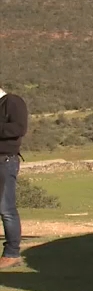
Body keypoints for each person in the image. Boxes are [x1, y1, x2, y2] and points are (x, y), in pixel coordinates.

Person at [0, 86, 28, 270]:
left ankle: (12, 253)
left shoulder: (12, 101)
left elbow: (19, 128)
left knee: (5, 208)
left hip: (5, 161)